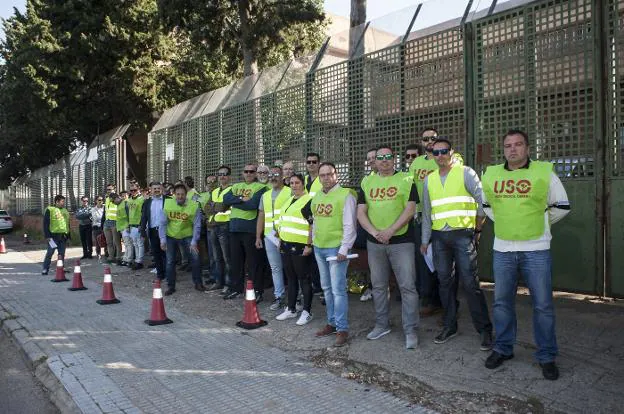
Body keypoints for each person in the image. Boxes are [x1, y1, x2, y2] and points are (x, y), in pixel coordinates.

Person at [482, 129, 570, 380]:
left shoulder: (543, 172)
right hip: (503, 249)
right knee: (501, 303)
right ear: (503, 149)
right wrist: (509, 221)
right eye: (508, 145)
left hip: (537, 249)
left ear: (528, 148)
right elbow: (487, 206)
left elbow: (562, 206)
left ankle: (547, 356)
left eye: (518, 144)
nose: (513, 149)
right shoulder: (492, 174)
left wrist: (539, 222)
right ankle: (503, 348)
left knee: (542, 305)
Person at [420, 138, 493, 350]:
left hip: (462, 234)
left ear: (452, 152)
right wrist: (425, 240)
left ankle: (484, 330)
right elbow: (427, 212)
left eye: (444, 151)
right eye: (436, 152)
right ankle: (450, 325)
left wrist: (477, 227)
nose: (440, 155)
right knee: (445, 283)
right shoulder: (429, 180)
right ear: (432, 155)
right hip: (439, 237)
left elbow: (483, 200)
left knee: (470, 284)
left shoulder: (466, 173)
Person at [358, 146, 421, 349]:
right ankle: (381, 324)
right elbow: (361, 212)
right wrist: (375, 232)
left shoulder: (406, 179)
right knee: (378, 286)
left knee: (407, 287)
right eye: (380, 158)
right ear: (374, 161)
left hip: (401, 241)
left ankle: (410, 330)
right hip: (375, 242)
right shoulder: (367, 181)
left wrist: (390, 231)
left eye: (388, 157)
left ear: (394, 159)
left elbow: (410, 210)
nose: (384, 160)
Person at [307, 162, 357, 347]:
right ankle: (332, 323)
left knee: (338, 290)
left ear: (336, 175)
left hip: (336, 249)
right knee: (326, 289)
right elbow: (316, 221)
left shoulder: (346, 195)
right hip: (319, 247)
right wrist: (312, 243)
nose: (326, 178)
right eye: (322, 175)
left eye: (329, 174)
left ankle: (342, 329)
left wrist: (344, 248)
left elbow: (350, 225)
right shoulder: (318, 195)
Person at [222, 163, 267, 300]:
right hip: (234, 229)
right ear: (242, 173)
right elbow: (226, 199)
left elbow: (253, 205)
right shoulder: (236, 186)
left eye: (252, 171)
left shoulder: (261, 187)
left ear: (255, 173)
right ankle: (236, 289)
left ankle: (257, 291)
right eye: (246, 171)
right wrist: (241, 199)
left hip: (250, 230)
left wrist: (235, 202)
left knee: (254, 263)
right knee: (236, 262)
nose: (248, 174)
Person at [275, 173, 314, 325]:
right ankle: (291, 309)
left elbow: (312, 225)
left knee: (304, 279)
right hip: (285, 244)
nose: (294, 185)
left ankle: (306, 311)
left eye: (297, 182)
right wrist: (280, 240)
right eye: (291, 183)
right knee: (291, 278)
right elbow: (283, 222)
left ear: (303, 184)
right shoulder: (290, 200)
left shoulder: (309, 200)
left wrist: (309, 245)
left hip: (301, 246)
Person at [159, 183, 205, 295]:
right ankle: (171, 286)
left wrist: (194, 241)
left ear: (186, 195)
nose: (180, 196)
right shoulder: (168, 204)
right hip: (171, 235)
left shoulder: (194, 205)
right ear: (174, 194)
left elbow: (197, 225)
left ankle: (198, 283)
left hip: (187, 235)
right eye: (178, 194)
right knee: (170, 261)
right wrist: (163, 239)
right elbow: (163, 223)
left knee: (195, 258)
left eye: (182, 194)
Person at [256, 165, 292, 309]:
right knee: (275, 268)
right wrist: (258, 236)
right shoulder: (265, 195)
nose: (273, 178)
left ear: (282, 175)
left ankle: (296, 297)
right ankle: (279, 297)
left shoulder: (290, 192)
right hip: (269, 236)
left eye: (277, 174)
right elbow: (261, 216)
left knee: (290, 268)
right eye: (271, 175)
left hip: (287, 235)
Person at [204, 166, 233, 293]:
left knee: (227, 258)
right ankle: (218, 282)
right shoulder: (215, 191)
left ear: (229, 176)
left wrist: (215, 206)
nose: (222, 176)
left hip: (225, 227)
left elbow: (224, 207)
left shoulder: (232, 190)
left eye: (225, 174)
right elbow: (206, 207)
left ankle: (228, 283)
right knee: (216, 258)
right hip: (213, 227)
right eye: (220, 174)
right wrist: (218, 206)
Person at [358, 147, 378, 302]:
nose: (371, 161)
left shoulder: (398, 177)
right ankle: (373, 288)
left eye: (374, 157)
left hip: (395, 230)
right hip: (372, 228)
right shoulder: (366, 180)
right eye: (369, 158)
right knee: (375, 264)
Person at [140, 181, 167, 281]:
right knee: (156, 253)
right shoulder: (147, 202)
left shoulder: (168, 200)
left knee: (166, 254)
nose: (156, 190)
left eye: (158, 188)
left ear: (161, 189)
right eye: (154, 188)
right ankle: (160, 275)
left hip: (165, 231)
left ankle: (169, 274)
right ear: (150, 190)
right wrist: (142, 231)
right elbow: (144, 217)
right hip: (153, 231)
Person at [41, 195, 70, 275]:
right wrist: (47, 236)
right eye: (62, 201)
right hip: (53, 237)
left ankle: (61, 268)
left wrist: (68, 236)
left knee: (61, 254)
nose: (63, 203)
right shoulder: (50, 210)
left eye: (64, 201)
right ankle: (45, 269)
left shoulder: (65, 210)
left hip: (63, 236)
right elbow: (45, 224)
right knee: (50, 253)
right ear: (57, 201)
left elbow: (67, 224)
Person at [127, 183, 145, 270]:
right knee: (135, 244)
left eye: (135, 190)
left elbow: (143, 213)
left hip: (138, 225)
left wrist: (141, 224)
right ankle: (137, 260)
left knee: (140, 244)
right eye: (131, 190)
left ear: (138, 189)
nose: (133, 192)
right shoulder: (129, 200)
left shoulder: (141, 199)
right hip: (131, 225)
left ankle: (139, 261)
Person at [103, 183, 122, 264]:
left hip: (115, 222)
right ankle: (111, 257)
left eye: (110, 189)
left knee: (117, 242)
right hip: (107, 222)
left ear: (115, 189)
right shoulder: (107, 199)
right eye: (107, 189)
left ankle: (118, 257)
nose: (109, 191)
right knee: (109, 242)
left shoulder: (118, 199)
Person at [115, 191, 132, 267]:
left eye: (125, 195)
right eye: (122, 196)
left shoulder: (126, 203)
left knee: (128, 244)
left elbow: (129, 215)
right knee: (126, 244)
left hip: (126, 226)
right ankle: (125, 258)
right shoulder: (120, 204)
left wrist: (128, 226)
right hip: (122, 227)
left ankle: (129, 259)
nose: (124, 197)